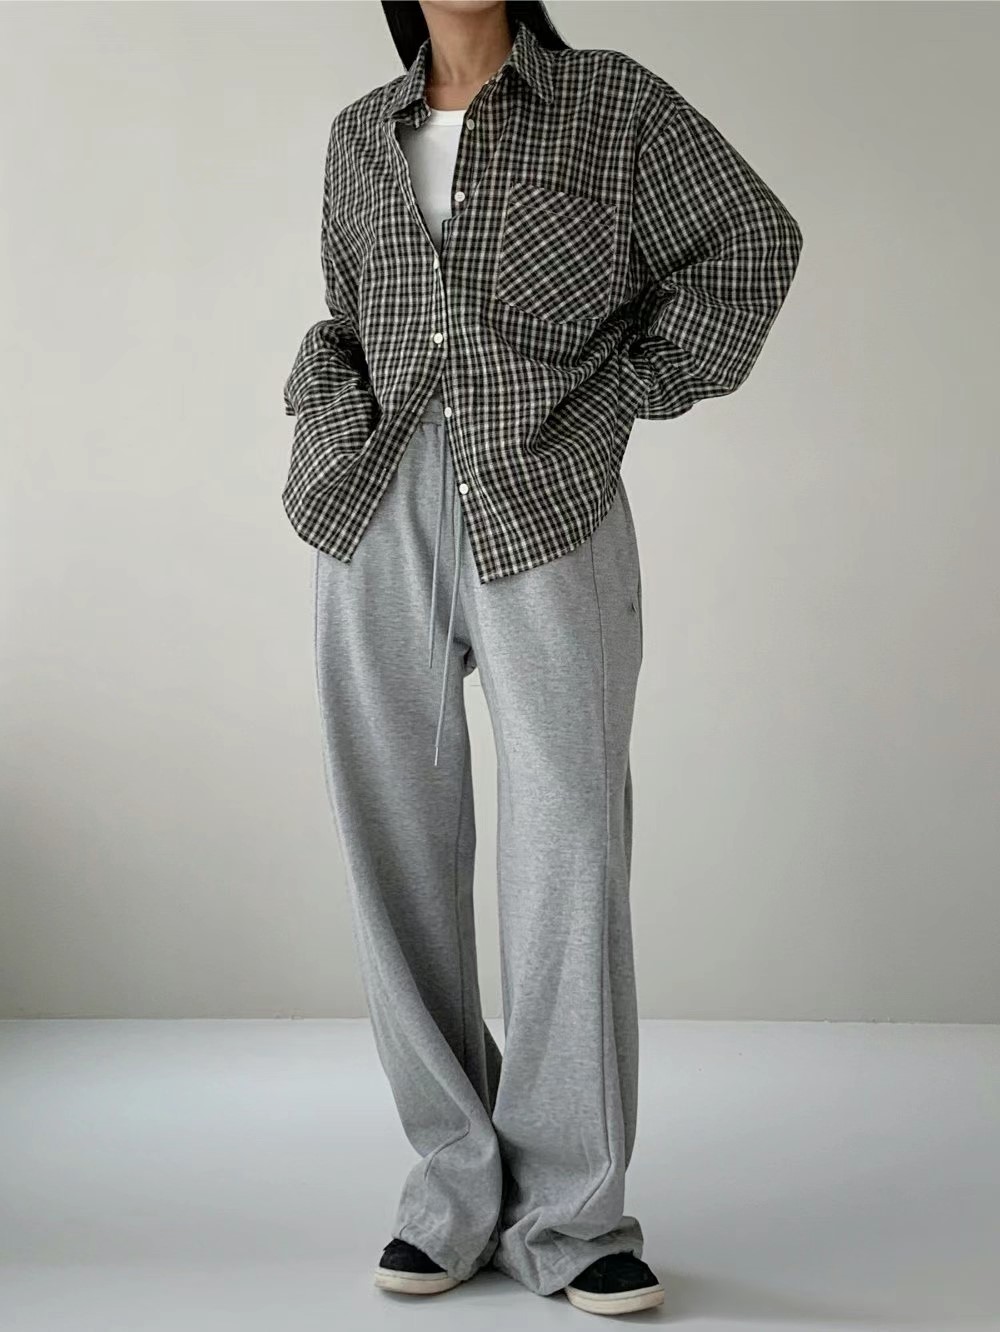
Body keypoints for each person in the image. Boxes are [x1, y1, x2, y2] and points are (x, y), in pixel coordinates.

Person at [282, 0, 802, 1315]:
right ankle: (452, 1188)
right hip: (375, 513)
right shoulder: (360, 134)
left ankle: (574, 1214)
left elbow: (751, 241)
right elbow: (342, 321)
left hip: (549, 505)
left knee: (569, 842)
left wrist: (619, 393)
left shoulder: (610, 103)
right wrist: (328, 429)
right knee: (396, 845)